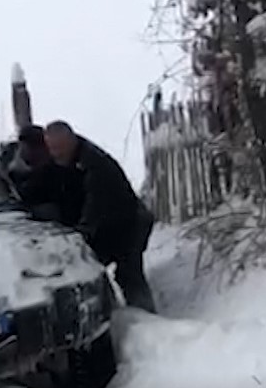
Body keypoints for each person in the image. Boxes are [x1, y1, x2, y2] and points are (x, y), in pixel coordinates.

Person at [43, 120, 158, 313]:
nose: (56, 154)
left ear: (72, 140)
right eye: (52, 149)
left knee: (128, 274)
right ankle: (114, 314)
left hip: (129, 223)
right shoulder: (62, 163)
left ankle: (148, 321)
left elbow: (94, 208)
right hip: (106, 227)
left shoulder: (96, 166)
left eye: (60, 148)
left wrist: (79, 236)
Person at [8, 125, 84, 226]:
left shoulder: (60, 175)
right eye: (27, 145)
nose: (32, 151)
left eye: (37, 146)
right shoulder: (8, 161)